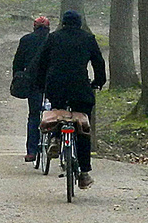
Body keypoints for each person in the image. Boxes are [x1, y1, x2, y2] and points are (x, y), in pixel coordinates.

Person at [31, 9, 106, 187]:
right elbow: (98, 62)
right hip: (80, 87)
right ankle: (84, 173)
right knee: (82, 127)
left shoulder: (53, 38)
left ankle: (56, 138)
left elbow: (42, 63)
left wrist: (42, 84)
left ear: (63, 23)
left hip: (56, 86)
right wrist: (98, 81)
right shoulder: (88, 39)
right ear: (79, 23)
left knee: (58, 111)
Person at [11, 15, 51, 162]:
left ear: (34, 27)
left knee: (34, 115)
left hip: (33, 83)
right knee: (54, 113)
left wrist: (19, 78)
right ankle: (54, 143)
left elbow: (17, 63)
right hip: (51, 82)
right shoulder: (53, 40)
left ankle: (31, 151)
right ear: (48, 28)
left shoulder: (26, 40)